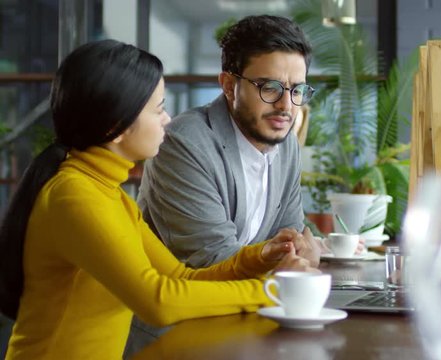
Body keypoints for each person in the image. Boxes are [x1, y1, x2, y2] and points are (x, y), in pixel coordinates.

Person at [0, 39, 316, 359]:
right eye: (159, 108)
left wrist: (259, 257)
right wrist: (272, 290)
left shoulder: (107, 192)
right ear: (117, 125)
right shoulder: (74, 195)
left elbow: (179, 277)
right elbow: (158, 301)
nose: (167, 119)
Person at [136, 14, 335, 269]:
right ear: (229, 86)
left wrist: (299, 253)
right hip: (183, 305)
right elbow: (211, 259)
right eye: (269, 87)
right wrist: (290, 264)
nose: (286, 106)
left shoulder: (287, 147)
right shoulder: (184, 143)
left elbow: (291, 239)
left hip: (253, 303)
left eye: (296, 90)